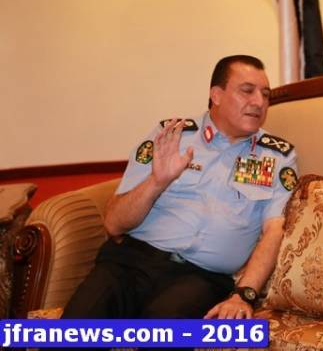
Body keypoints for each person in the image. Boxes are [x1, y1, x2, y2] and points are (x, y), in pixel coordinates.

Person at [62, 55, 298, 321]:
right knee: (72, 331)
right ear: (216, 95)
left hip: (202, 277)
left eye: (265, 95)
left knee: (161, 331)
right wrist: (157, 181)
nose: (259, 102)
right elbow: (114, 224)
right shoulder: (171, 135)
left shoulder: (277, 157)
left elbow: (274, 230)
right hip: (130, 262)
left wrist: (244, 295)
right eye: (247, 91)